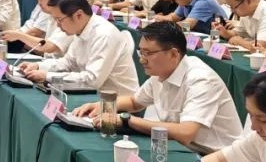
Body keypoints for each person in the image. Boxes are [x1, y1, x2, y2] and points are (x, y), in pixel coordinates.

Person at [72, 22, 241, 151]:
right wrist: (101, 106)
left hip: (212, 160)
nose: (141, 59)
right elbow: (134, 102)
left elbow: (185, 133)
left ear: (174, 54)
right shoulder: (161, 72)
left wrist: (126, 119)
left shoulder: (201, 80)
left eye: (148, 53)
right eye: (141, 52)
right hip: (178, 148)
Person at [19, 0, 139, 95]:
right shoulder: (81, 29)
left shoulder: (104, 34)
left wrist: (47, 76)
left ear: (79, 15)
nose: (57, 25)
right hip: (91, 95)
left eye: (59, 19)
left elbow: (92, 80)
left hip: (116, 103)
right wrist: (38, 66)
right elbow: (68, 63)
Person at [0, 0, 72, 55]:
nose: (39, 2)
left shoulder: (68, 15)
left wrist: (18, 35)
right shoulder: (51, 14)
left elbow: (50, 46)